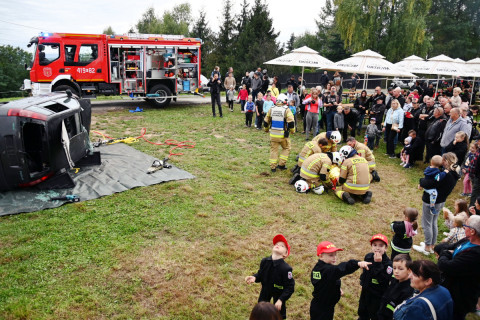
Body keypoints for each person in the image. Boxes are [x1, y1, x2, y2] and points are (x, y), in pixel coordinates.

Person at [310, 241, 371, 320]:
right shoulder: (327, 270)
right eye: (331, 255)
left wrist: (336, 288)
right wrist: (357, 264)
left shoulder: (319, 268)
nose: (334, 257)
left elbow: (325, 283)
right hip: (322, 310)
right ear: (321, 256)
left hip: (323, 306)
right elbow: (340, 269)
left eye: (335, 254)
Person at [414, 153, 460, 255]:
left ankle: (426, 247)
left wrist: (421, 181)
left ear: (446, 161)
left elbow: (428, 183)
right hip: (441, 200)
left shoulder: (444, 175)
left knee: (426, 223)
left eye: (442, 160)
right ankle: (431, 245)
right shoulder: (454, 173)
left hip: (432, 201)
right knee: (433, 222)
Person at [436, 215, 480, 320]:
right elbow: (448, 247)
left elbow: (445, 266)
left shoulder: (476, 255)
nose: (464, 227)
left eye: (466, 225)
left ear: (473, 231)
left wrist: (444, 255)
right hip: (449, 289)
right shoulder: (467, 240)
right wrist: (446, 253)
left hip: (459, 298)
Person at [245, 234, 295, 320]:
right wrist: (255, 277)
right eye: (277, 244)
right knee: (261, 310)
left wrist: (281, 299)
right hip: (265, 290)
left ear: (285, 253)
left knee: (278, 313)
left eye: (282, 246)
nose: (278, 245)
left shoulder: (286, 268)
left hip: (279, 293)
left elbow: (290, 287)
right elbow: (260, 274)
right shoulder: (265, 261)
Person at [358, 234, 393, 320]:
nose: (377, 248)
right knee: (362, 311)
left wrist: (378, 263)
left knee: (374, 315)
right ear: (371, 246)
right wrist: (362, 283)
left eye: (381, 245)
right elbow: (365, 273)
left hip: (377, 295)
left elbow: (383, 280)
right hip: (366, 291)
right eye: (375, 245)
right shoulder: (368, 256)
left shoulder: (388, 264)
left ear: (386, 248)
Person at [377, 254, 414, 320]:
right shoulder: (395, 280)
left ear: (409, 271)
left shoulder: (408, 291)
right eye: (394, 268)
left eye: (401, 269)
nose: (396, 271)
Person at [263, 96, 295, 172]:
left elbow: (266, 121)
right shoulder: (286, 110)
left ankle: (273, 167)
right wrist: (292, 131)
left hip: (273, 134)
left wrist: (266, 129)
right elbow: (291, 122)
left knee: (274, 150)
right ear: (284, 101)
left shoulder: (272, 109)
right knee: (286, 148)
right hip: (283, 135)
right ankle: (281, 164)